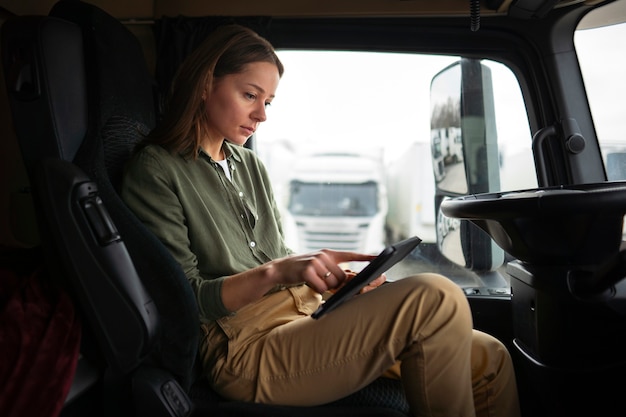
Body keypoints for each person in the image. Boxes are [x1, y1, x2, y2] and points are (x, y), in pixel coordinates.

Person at [121, 24, 520, 417]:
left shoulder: (249, 165)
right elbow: (185, 299)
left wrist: (336, 281)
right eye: (249, 95)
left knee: (490, 358)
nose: (261, 115)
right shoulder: (157, 169)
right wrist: (278, 271)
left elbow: (276, 256)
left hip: (305, 315)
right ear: (206, 84)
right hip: (245, 348)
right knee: (434, 295)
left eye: (268, 102)